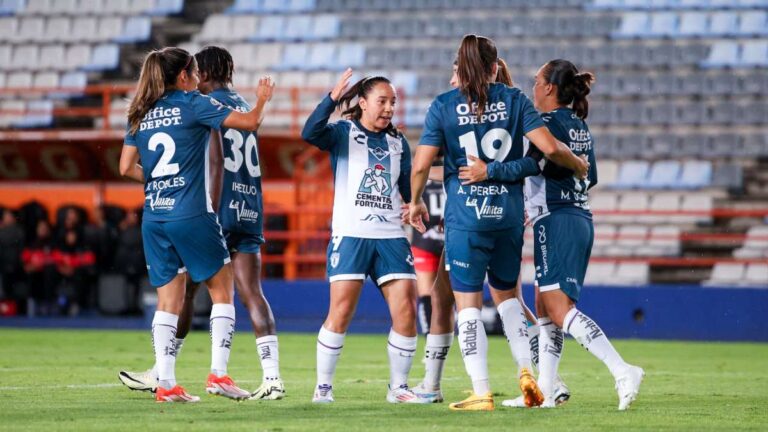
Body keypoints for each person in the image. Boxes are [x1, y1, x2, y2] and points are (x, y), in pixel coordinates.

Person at [410, 35, 589, 411]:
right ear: (494, 66)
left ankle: (480, 389)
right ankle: (532, 374)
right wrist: (578, 163)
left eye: (454, 72)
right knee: (506, 297)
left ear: (464, 70)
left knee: (466, 304)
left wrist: (413, 201)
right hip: (508, 218)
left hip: (467, 220)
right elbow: (546, 152)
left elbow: (423, 164)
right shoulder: (516, 100)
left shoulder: (444, 106)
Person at [464, 59, 644, 410]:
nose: (532, 87)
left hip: (557, 218)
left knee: (560, 310)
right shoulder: (578, 124)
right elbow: (589, 177)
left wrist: (490, 171)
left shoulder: (545, 124)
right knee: (545, 308)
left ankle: (622, 370)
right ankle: (544, 391)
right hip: (575, 216)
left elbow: (532, 163)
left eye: (536, 82)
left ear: (548, 88)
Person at [118, 46, 284, 401]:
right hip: (192, 213)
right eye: (193, 73)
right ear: (183, 77)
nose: (197, 79)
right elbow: (250, 122)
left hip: (155, 216)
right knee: (223, 291)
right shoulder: (193, 103)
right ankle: (219, 376)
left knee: (169, 301)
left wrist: (160, 182)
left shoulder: (140, 112)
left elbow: (124, 168)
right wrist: (262, 100)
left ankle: (165, 384)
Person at [301, 68, 429, 404]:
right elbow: (309, 132)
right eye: (382, 101)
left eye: (393, 102)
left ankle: (399, 387)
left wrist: (414, 205)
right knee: (341, 312)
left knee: (406, 308)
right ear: (363, 102)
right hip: (352, 234)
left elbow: (405, 186)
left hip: (390, 236)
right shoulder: (343, 132)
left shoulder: (398, 141)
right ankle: (324, 387)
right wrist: (330, 98)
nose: (389, 108)